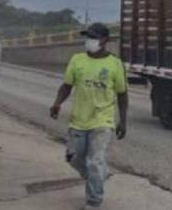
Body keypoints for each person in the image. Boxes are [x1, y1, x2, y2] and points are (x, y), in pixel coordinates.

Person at [50, 23, 128, 209]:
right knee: (73, 158)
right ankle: (99, 176)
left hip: (102, 120)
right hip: (79, 120)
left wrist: (122, 121)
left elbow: (122, 94)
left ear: (105, 40)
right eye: (88, 37)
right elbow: (67, 85)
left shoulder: (115, 64)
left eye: (94, 37)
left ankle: (93, 202)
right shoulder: (77, 60)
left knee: (95, 161)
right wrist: (57, 103)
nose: (90, 40)